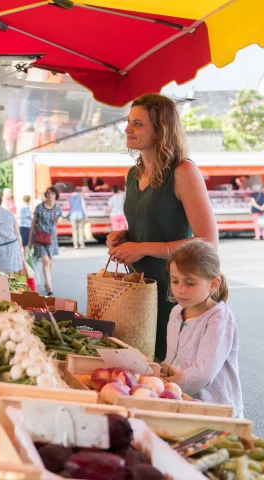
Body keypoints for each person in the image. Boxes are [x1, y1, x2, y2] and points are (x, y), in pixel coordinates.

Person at [107, 94, 217, 362]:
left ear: (161, 130)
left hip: (174, 293)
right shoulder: (133, 175)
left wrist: (142, 247)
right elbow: (151, 223)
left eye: (138, 123)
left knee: (170, 374)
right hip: (138, 293)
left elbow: (208, 243)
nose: (128, 129)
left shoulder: (183, 171)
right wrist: (126, 237)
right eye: (128, 121)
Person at [161, 240, 243, 418]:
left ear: (213, 284)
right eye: (175, 281)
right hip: (183, 402)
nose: (180, 290)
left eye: (190, 283)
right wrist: (160, 371)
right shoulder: (176, 312)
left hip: (215, 411)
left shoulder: (219, 318)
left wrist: (166, 385)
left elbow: (202, 375)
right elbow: (172, 358)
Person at [28, 186, 63, 296]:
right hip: (39, 237)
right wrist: (29, 240)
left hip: (51, 238)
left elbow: (59, 221)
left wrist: (59, 220)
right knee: (46, 261)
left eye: (52, 193)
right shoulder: (39, 207)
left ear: (56, 195)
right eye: (48, 193)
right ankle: (49, 285)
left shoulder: (58, 208)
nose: (50, 195)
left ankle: (48, 281)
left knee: (50, 261)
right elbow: (33, 223)